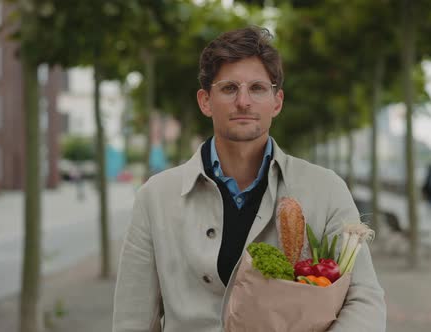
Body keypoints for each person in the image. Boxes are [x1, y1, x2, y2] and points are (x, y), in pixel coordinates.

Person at [112, 26, 386, 332]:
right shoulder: (155, 197)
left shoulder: (326, 189)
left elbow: (365, 298)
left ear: (277, 102)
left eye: (257, 88)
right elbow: (131, 318)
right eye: (229, 88)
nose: (244, 101)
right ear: (205, 101)